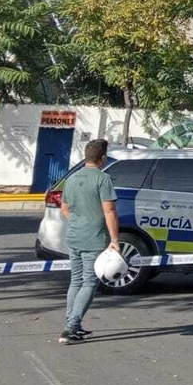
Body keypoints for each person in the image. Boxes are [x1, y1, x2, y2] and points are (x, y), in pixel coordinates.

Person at [59, 138, 121, 344]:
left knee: (76, 281)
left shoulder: (71, 179)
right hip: (94, 239)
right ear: (102, 158)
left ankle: (72, 324)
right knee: (89, 282)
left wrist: (78, 222)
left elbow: (64, 209)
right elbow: (109, 211)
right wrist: (115, 239)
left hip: (74, 237)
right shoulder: (103, 179)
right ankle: (71, 327)